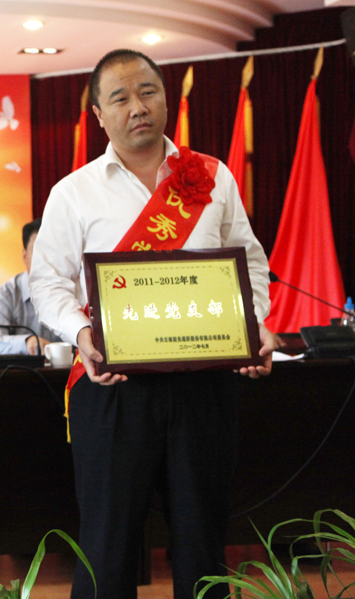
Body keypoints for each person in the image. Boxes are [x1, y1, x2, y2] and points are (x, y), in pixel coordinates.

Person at [28, 49, 279, 599]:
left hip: (204, 381)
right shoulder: (74, 192)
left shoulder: (212, 175)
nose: (137, 107)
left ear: (166, 98)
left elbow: (249, 262)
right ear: (99, 115)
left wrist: (252, 322)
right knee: (108, 546)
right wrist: (82, 335)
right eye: (120, 98)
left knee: (202, 541)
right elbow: (46, 284)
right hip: (113, 387)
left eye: (147, 91)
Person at [0, 218, 62, 356]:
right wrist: (27, 343)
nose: (46, 259)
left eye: (52, 251)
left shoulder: (75, 291)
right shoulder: (4, 296)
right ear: (25, 256)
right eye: (39, 251)